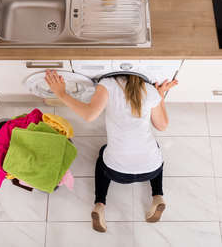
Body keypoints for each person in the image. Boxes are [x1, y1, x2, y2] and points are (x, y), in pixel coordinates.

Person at [45, 70, 178, 233]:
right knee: (153, 151)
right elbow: (162, 125)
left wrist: (61, 93)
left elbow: (89, 115)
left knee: (102, 155)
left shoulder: (108, 84)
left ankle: (99, 204)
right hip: (151, 171)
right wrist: (160, 95)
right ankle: (158, 196)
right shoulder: (149, 90)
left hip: (117, 173)